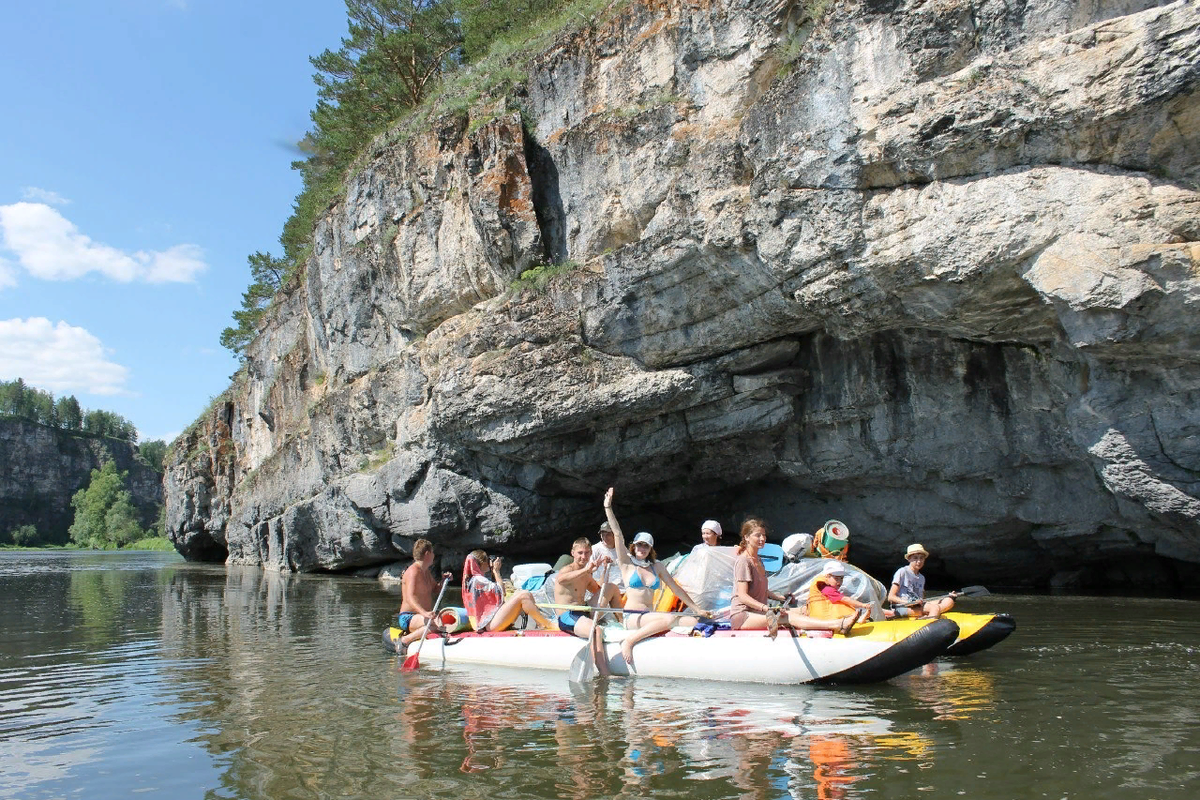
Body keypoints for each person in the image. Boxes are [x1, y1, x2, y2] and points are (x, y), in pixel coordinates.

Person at [603, 487, 709, 669]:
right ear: (634, 546)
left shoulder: (657, 566)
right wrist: (608, 507)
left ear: (650, 549)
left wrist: (697, 609)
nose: (642, 549)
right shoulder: (627, 563)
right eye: (639, 545)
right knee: (668, 619)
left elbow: (676, 589)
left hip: (650, 616)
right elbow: (618, 534)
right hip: (632, 617)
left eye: (646, 546)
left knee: (693, 621)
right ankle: (629, 641)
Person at [730, 518, 858, 635]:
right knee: (787, 617)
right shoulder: (743, 561)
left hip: (758, 612)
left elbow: (760, 589)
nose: (762, 538)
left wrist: (779, 597)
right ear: (746, 537)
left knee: (804, 610)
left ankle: (841, 619)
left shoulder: (758, 560)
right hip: (744, 617)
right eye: (757, 535)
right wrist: (766, 608)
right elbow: (742, 595)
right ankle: (838, 625)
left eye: (763, 535)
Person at [462, 550, 555, 632]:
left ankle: (540, 624)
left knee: (521, 594)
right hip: (490, 624)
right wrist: (496, 571)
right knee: (524, 595)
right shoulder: (478, 580)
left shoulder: (472, 580)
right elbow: (502, 591)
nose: (489, 562)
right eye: (487, 560)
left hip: (489, 622)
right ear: (482, 563)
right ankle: (546, 624)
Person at [398, 538, 451, 646]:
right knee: (438, 623)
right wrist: (424, 613)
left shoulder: (426, 572)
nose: (434, 555)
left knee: (445, 620)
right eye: (432, 552)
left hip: (423, 616)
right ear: (427, 554)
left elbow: (435, 589)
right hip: (408, 617)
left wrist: (444, 580)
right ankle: (404, 640)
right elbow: (410, 598)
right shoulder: (413, 572)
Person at [887, 543, 957, 618]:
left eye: (921, 558)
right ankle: (930, 618)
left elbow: (921, 600)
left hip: (917, 606)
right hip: (901, 607)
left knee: (949, 601)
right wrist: (909, 602)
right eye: (915, 558)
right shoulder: (902, 572)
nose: (919, 561)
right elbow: (890, 597)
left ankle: (930, 614)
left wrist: (948, 596)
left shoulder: (921, 578)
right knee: (934, 608)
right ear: (909, 559)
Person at [806, 562, 872, 624]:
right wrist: (863, 605)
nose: (839, 582)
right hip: (824, 618)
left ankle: (856, 619)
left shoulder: (823, 587)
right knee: (841, 604)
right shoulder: (827, 589)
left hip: (821, 616)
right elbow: (845, 599)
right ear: (827, 576)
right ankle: (855, 619)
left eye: (841, 578)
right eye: (836, 578)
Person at [590, 522, 624, 593]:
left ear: (614, 535)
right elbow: (588, 571)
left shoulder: (622, 550)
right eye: (603, 534)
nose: (605, 537)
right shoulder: (594, 549)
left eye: (608, 534)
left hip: (621, 589)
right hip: (600, 588)